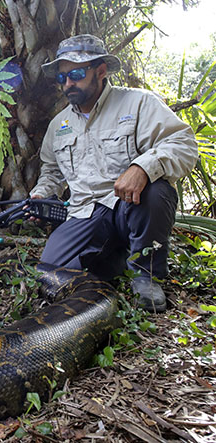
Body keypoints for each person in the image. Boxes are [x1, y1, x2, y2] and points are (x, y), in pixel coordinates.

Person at [30, 34, 198, 312]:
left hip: (129, 205)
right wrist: (41, 193)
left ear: (101, 71)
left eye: (76, 74)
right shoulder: (59, 124)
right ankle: (116, 261)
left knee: (157, 190)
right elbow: (51, 171)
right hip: (85, 213)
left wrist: (142, 168)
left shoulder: (138, 103)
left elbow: (183, 143)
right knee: (48, 274)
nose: (68, 83)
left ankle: (147, 275)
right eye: (62, 78)